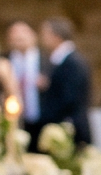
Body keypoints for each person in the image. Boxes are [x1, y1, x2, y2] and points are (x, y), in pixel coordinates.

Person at [32, 17, 93, 146]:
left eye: (45, 34)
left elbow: (70, 98)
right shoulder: (60, 60)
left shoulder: (72, 62)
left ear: (56, 36)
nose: (42, 38)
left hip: (71, 130)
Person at [4, 22, 42, 106]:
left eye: (24, 33)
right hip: (12, 112)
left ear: (33, 36)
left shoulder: (48, 59)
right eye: (15, 35)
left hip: (44, 115)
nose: (19, 35)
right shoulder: (4, 60)